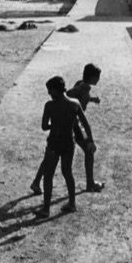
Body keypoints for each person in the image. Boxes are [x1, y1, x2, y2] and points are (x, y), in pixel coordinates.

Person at [31, 63, 104, 195]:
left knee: (51, 154)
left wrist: (91, 99)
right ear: (93, 78)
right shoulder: (83, 90)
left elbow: (75, 96)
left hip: (70, 125)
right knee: (88, 151)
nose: (99, 79)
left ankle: (36, 181)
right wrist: (89, 139)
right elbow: (72, 98)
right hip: (74, 126)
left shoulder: (81, 84)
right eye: (97, 77)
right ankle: (90, 183)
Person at [34, 76, 88, 218]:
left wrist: (55, 124)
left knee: (49, 175)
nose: (49, 94)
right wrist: (89, 141)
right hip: (69, 143)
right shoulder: (75, 103)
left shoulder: (49, 106)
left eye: (49, 91)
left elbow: (44, 126)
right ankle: (72, 203)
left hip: (54, 143)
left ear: (54, 90)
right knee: (67, 173)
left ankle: (46, 209)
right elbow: (85, 125)